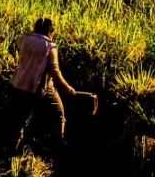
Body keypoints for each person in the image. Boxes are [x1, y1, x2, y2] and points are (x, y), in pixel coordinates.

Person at [10, 17, 96, 151]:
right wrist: (69, 89)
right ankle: (58, 145)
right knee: (58, 113)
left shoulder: (25, 39)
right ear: (51, 30)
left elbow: (18, 44)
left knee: (19, 121)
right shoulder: (50, 47)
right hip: (37, 87)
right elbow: (55, 72)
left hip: (18, 83)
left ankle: (12, 153)